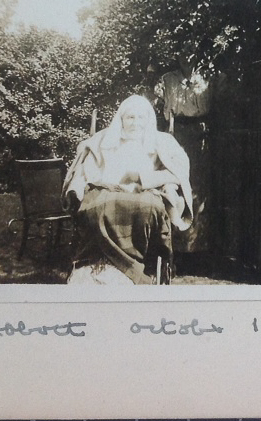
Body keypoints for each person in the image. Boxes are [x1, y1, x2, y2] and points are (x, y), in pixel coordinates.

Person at [62, 95, 193, 285]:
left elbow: (177, 172)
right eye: (130, 117)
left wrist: (143, 178)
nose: (135, 123)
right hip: (108, 190)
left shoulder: (162, 141)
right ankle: (101, 263)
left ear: (148, 120)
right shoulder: (104, 139)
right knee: (98, 207)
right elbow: (87, 169)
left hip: (143, 192)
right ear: (121, 119)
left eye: (141, 118)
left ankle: (129, 265)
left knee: (146, 208)